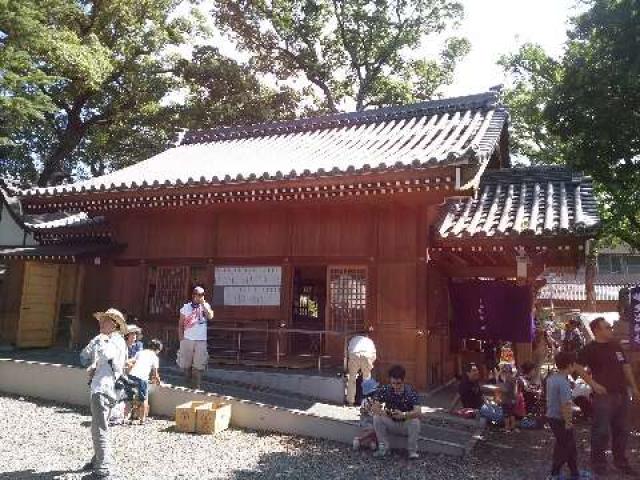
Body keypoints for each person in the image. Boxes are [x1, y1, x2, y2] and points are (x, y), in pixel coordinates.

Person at [575, 317, 640, 476]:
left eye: (610, 327)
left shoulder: (616, 346)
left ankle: (621, 462)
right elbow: (577, 366)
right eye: (607, 327)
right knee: (601, 431)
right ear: (597, 330)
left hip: (622, 394)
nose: (611, 329)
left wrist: (634, 388)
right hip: (604, 397)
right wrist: (593, 384)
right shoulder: (589, 348)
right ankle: (598, 464)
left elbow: (625, 367)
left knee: (622, 430)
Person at [79, 308, 128, 480]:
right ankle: (97, 460)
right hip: (109, 389)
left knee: (99, 429)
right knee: (100, 426)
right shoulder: (117, 341)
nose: (100, 323)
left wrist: (94, 366)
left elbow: (106, 355)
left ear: (113, 324)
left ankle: (103, 470)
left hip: (102, 388)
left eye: (104, 320)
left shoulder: (112, 341)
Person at [371, 365, 422, 459]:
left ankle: (412, 451)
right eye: (393, 383)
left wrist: (404, 415)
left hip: (405, 423)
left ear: (403, 381)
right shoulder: (385, 390)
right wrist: (386, 413)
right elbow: (374, 408)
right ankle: (384, 448)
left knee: (415, 421)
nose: (395, 386)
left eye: (398, 383)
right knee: (376, 417)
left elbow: (418, 412)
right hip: (391, 420)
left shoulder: (410, 391)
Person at [546, 351, 580, 480]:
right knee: (565, 447)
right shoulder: (563, 382)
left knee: (568, 445)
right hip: (560, 418)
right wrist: (568, 422)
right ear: (570, 365)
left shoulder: (551, 378)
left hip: (552, 416)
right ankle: (555, 472)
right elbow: (565, 405)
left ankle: (574, 472)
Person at [177, 286, 214, 389]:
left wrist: (203, 305)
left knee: (198, 366)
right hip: (187, 339)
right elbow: (180, 325)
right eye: (198, 294)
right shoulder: (185, 308)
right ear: (193, 295)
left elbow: (210, 316)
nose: (201, 296)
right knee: (186, 366)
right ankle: (187, 385)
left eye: (202, 294)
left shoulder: (205, 306)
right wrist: (181, 340)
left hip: (201, 340)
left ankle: (196, 387)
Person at [127, 339, 163, 424]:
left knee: (131, 397)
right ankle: (142, 419)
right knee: (143, 399)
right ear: (157, 349)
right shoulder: (154, 357)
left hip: (131, 376)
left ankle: (130, 417)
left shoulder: (140, 352)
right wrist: (158, 382)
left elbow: (132, 362)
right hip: (142, 378)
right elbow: (155, 374)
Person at [346, 334, 376, 406]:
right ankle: (367, 403)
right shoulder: (369, 341)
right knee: (367, 380)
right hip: (366, 355)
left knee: (352, 379)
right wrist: (369, 366)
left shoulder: (353, 339)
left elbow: (348, 352)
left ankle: (350, 402)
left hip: (354, 354)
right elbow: (373, 355)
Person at [352, 378, 379, 451]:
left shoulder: (377, 401)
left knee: (377, 428)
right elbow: (362, 410)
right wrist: (366, 410)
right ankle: (359, 439)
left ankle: (372, 442)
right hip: (366, 420)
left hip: (374, 419)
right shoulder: (365, 401)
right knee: (373, 429)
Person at [498, 363, 518, 432]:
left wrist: (500, 387)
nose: (504, 374)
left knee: (506, 414)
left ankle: (507, 427)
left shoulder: (508, 380)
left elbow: (506, 390)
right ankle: (513, 426)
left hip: (507, 400)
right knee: (512, 414)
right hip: (512, 400)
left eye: (504, 372)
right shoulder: (513, 379)